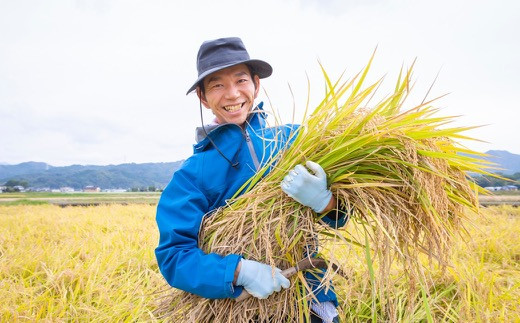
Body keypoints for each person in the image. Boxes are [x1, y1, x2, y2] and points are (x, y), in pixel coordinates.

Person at [155, 37, 347, 323]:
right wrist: (239, 271)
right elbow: (174, 257)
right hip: (244, 309)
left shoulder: (295, 141)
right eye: (217, 85)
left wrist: (324, 200)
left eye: (241, 80)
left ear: (256, 85)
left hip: (312, 298)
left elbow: (340, 215)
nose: (232, 94)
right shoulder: (192, 174)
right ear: (203, 97)